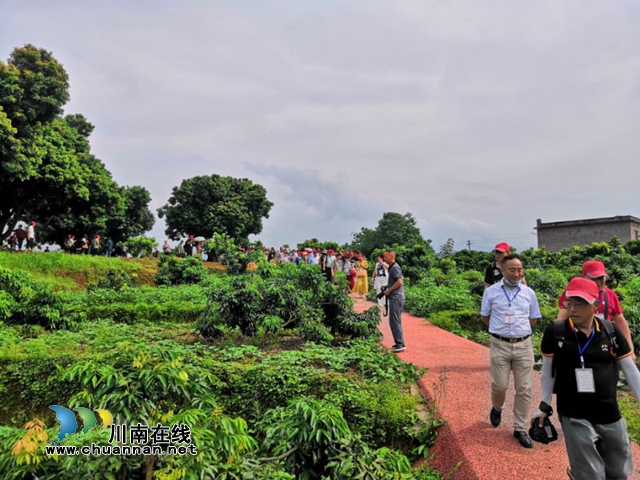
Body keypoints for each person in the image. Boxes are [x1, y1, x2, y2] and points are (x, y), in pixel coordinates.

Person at [537, 277, 640, 480]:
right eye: (570, 303)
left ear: (595, 304)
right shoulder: (556, 332)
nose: (573, 309)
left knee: (619, 471)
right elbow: (548, 371)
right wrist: (543, 404)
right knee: (591, 474)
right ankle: (581, 473)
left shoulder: (610, 331)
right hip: (573, 411)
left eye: (581, 304)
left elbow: (630, 370)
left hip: (608, 409)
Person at [481, 253, 541, 448]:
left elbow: (533, 319)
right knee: (500, 385)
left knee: (524, 388)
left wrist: (520, 333)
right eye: (512, 270)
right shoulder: (491, 292)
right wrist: (501, 332)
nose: (517, 274)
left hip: (524, 345)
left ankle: (520, 428)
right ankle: (497, 408)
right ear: (503, 271)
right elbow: (485, 317)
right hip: (500, 344)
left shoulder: (528, 293)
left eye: (520, 270)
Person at [557, 260, 634, 361]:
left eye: (601, 278)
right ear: (583, 276)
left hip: (603, 345)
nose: (598, 282)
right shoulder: (572, 294)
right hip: (577, 343)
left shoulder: (610, 295)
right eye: (593, 278)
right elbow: (561, 319)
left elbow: (620, 322)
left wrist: (630, 349)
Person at [380, 250, 406, 353]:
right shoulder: (393, 267)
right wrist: (387, 286)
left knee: (394, 321)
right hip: (397, 297)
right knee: (396, 321)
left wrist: (389, 291)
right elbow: (396, 281)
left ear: (391, 257)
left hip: (396, 297)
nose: (384, 259)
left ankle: (400, 344)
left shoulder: (394, 267)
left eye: (386, 257)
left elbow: (399, 282)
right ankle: (399, 342)